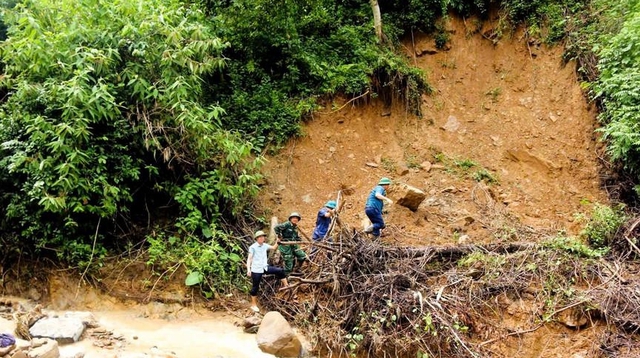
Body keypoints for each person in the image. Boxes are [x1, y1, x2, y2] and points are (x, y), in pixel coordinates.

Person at [246, 230, 288, 313]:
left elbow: (273, 247)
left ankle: (286, 286)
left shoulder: (264, 245)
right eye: (260, 237)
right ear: (256, 238)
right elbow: (249, 259)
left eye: (263, 236)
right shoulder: (253, 247)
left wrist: (278, 241)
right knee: (255, 287)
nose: (262, 238)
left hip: (265, 267)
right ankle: (253, 305)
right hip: (256, 270)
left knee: (279, 271)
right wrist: (248, 269)